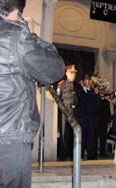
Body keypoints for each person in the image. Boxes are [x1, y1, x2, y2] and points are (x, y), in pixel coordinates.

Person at [0, 0, 65, 187]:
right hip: (10, 133)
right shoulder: (17, 34)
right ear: (16, 12)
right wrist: (29, 32)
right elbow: (54, 70)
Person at [57, 65, 83, 161]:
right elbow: (58, 99)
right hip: (65, 111)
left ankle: (74, 154)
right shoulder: (62, 85)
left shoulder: (78, 86)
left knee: (75, 132)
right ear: (66, 73)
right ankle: (63, 155)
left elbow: (81, 98)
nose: (73, 75)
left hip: (75, 111)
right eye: (71, 73)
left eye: (74, 73)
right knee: (64, 133)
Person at [80, 74, 101, 160]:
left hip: (92, 119)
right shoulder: (80, 91)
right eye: (86, 80)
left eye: (89, 80)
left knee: (92, 137)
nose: (87, 82)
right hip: (83, 118)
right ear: (83, 81)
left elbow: (98, 104)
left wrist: (96, 94)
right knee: (82, 137)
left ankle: (91, 155)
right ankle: (80, 155)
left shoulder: (93, 92)